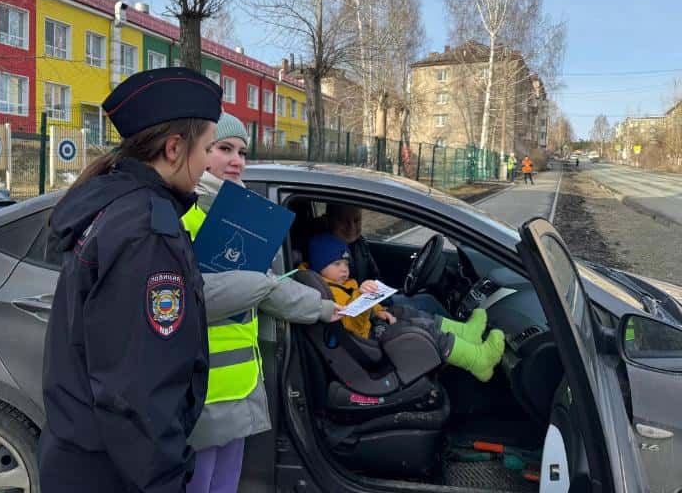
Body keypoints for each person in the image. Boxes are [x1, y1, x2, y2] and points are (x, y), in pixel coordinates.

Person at [39, 68, 221, 493]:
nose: (210, 160)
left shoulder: (118, 205)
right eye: (209, 147)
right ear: (175, 148)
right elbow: (139, 390)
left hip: (86, 459)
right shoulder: (147, 232)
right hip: (117, 471)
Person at [182, 112, 344, 493]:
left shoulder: (241, 216)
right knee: (198, 484)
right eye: (223, 149)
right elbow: (193, 297)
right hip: (197, 385)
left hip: (240, 380)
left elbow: (267, 288)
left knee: (226, 484)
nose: (237, 160)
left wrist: (324, 307)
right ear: (199, 152)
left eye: (241, 151)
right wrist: (262, 283)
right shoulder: (183, 216)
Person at [308, 233, 506, 382]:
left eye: (345, 263)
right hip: (364, 338)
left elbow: (361, 308)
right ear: (319, 266)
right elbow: (351, 324)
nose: (344, 269)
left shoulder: (341, 283)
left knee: (409, 313)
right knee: (420, 330)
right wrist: (363, 297)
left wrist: (378, 310)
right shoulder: (328, 293)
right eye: (336, 263)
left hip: (371, 325)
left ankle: (465, 332)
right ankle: (477, 361)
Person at [325, 203, 448, 317]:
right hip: (367, 309)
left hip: (377, 299)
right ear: (330, 220)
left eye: (356, 220)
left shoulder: (359, 243)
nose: (351, 226)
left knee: (428, 299)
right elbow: (343, 297)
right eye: (343, 221)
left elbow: (375, 275)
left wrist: (387, 291)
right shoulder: (326, 254)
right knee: (428, 303)